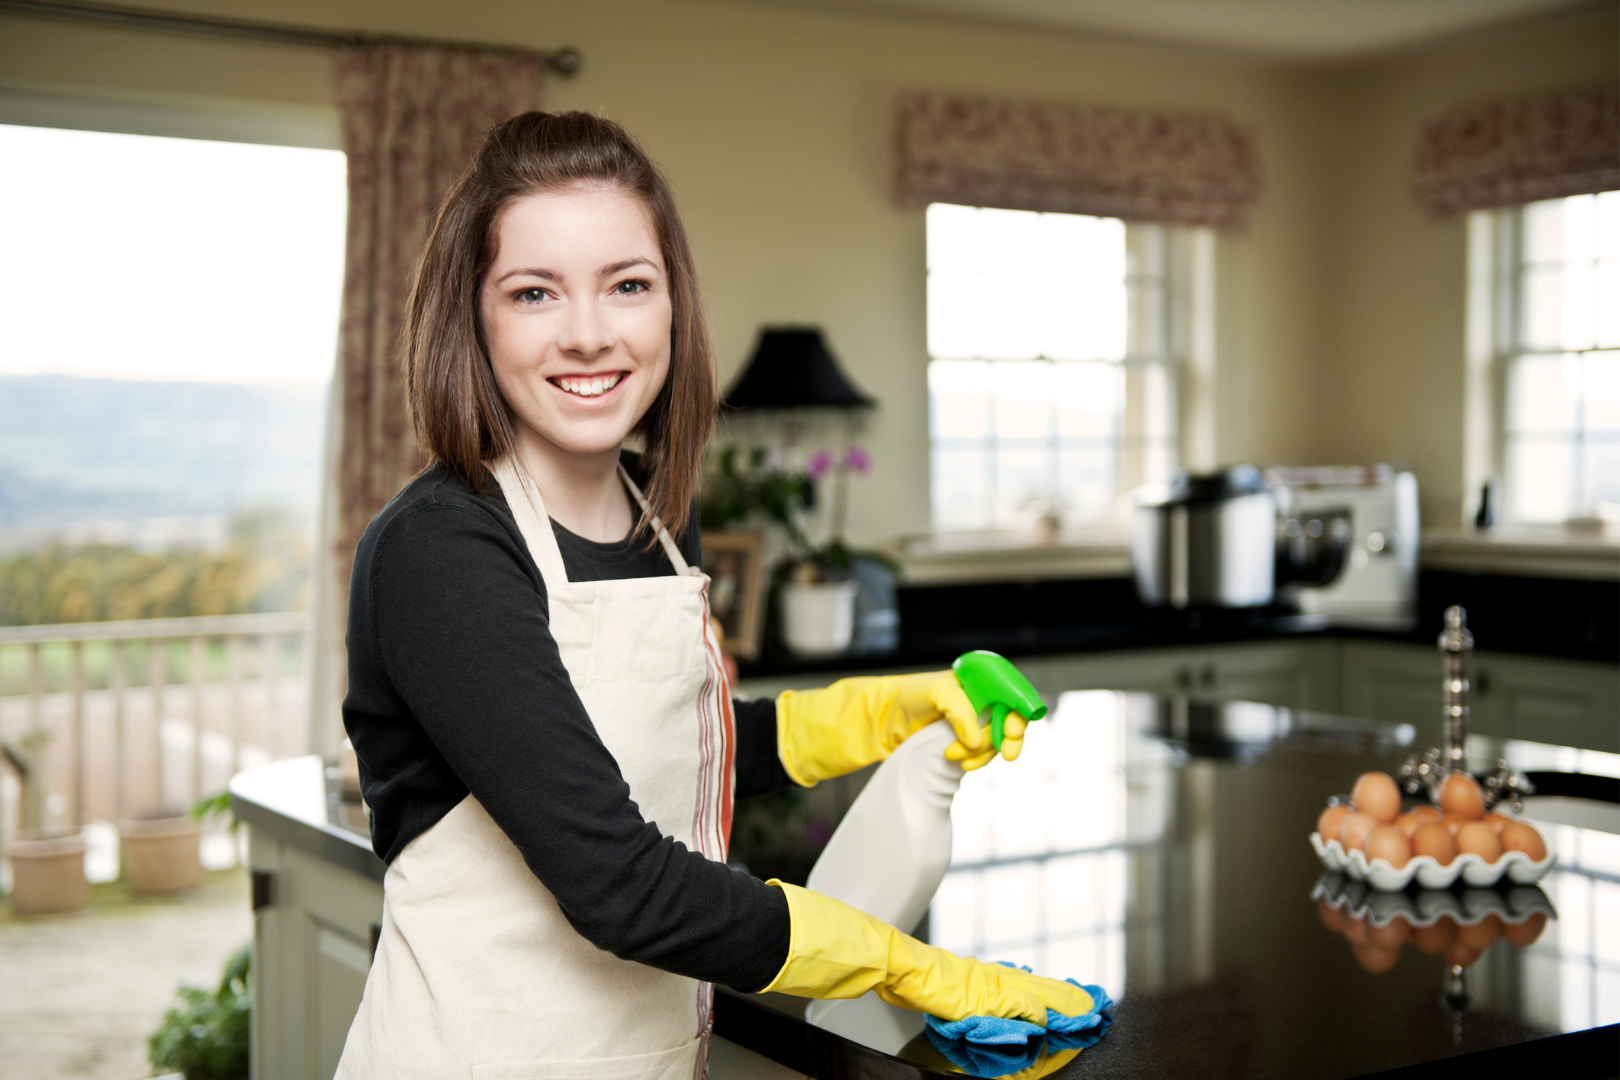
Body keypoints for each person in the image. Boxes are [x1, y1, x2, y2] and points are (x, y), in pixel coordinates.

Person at [334, 110, 1094, 1078]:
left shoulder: (658, 510)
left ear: (671, 307)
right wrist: (908, 967)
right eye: (533, 292)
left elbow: (679, 754)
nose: (588, 334)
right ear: (473, 319)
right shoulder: (440, 550)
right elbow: (617, 881)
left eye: (628, 285)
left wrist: (884, 712)